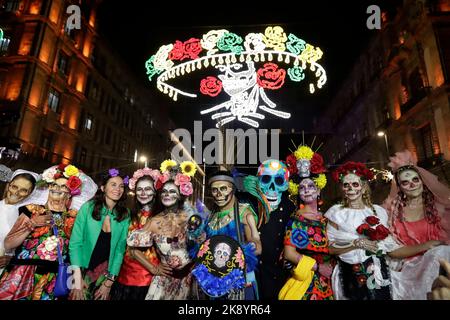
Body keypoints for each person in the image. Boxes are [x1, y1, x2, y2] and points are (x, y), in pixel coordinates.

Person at [0, 164, 96, 300]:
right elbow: (8, 244)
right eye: (54, 185)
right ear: (49, 187)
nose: (57, 188)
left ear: (70, 193)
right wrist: (32, 224)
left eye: (63, 186)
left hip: (55, 278)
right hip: (24, 273)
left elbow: (77, 249)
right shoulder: (32, 209)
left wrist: (77, 277)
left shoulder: (75, 217)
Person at [325, 161, 399, 300]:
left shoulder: (378, 211)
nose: (350, 188)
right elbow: (330, 248)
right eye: (346, 185)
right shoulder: (336, 213)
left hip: (378, 272)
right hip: (349, 274)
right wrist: (357, 243)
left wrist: (426, 247)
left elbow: (390, 247)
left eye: (355, 184)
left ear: (364, 187)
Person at [382, 150, 450, 299]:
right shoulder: (392, 214)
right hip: (410, 269)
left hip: (442, 264)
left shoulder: (441, 207)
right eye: (405, 182)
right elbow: (392, 251)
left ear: (422, 181)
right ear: (400, 187)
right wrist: (429, 245)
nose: (412, 184)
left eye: (415, 180)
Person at [127, 160, 197, 300]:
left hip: (188, 282)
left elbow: (203, 246)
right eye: (164, 192)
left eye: (172, 192)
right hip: (164, 283)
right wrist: (154, 268)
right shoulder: (154, 221)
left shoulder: (191, 218)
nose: (167, 195)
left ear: (180, 195)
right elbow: (132, 249)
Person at [193, 170, 262, 300]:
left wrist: (251, 245)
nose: (218, 194)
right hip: (214, 284)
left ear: (233, 189)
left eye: (223, 189)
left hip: (238, 283)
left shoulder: (244, 213)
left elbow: (257, 246)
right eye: (214, 190)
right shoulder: (210, 216)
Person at [279, 145, 336, 300]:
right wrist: (318, 267)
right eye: (302, 187)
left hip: (332, 280)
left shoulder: (327, 218)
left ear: (318, 190)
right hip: (308, 280)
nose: (306, 190)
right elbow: (289, 253)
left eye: (311, 186)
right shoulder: (296, 219)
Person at [69, 168, 130, 300]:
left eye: (121, 186)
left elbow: (120, 251)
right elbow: (75, 244)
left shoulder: (124, 215)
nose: (118, 189)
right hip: (81, 270)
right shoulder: (88, 208)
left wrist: (108, 283)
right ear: (103, 188)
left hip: (105, 276)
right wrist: (77, 278)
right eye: (113, 184)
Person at [110, 167, 161, 300]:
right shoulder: (129, 214)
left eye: (148, 189)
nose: (143, 193)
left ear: (155, 192)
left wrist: (155, 270)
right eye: (139, 189)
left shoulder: (161, 216)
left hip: (148, 280)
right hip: (124, 277)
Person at [255, 159, 294, 300]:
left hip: (280, 273)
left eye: (278, 181)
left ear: (285, 184)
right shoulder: (251, 205)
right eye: (265, 179)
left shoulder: (290, 208)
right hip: (257, 272)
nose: (272, 188)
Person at [0, 169, 42, 275]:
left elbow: (26, 247)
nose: (17, 193)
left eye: (24, 190)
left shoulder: (26, 216)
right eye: (14, 187)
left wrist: (11, 258)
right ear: (8, 185)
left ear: (30, 194)